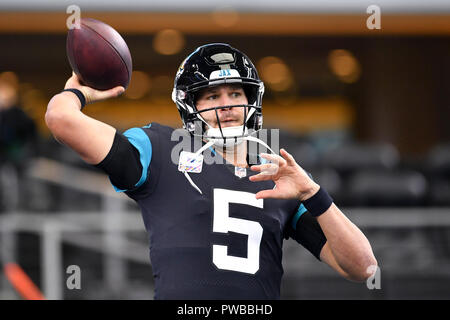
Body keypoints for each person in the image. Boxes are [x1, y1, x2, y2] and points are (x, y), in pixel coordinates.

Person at [45, 43, 377, 299]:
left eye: (235, 93)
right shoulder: (160, 149)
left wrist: (314, 194)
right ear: (191, 105)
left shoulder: (277, 175)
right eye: (212, 95)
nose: (228, 104)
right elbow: (61, 120)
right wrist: (78, 91)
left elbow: (363, 267)